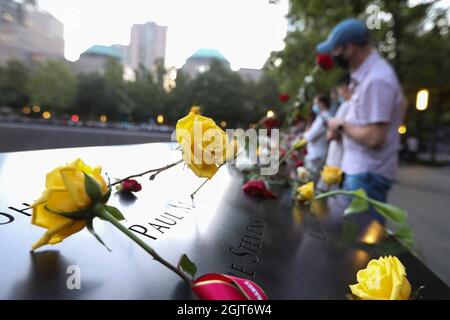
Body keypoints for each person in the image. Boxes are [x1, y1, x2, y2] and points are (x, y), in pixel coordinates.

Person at [318, 18, 405, 224]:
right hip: (361, 175)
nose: (333, 56)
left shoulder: (377, 80)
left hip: (367, 177)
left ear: (349, 49)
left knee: (359, 246)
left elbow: (375, 137)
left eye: (336, 50)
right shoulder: (368, 78)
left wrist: (340, 124)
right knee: (349, 243)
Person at [326, 74, 352, 168]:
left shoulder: (346, 106)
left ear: (345, 87)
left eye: (339, 90)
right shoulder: (357, 104)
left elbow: (331, 135)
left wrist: (331, 126)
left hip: (338, 160)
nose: (339, 93)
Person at [303, 93, 331, 177]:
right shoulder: (321, 117)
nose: (314, 106)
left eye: (315, 103)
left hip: (317, 155)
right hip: (316, 153)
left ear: (321, 103)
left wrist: (306, 132)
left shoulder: (324, 118)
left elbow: (310, 136)